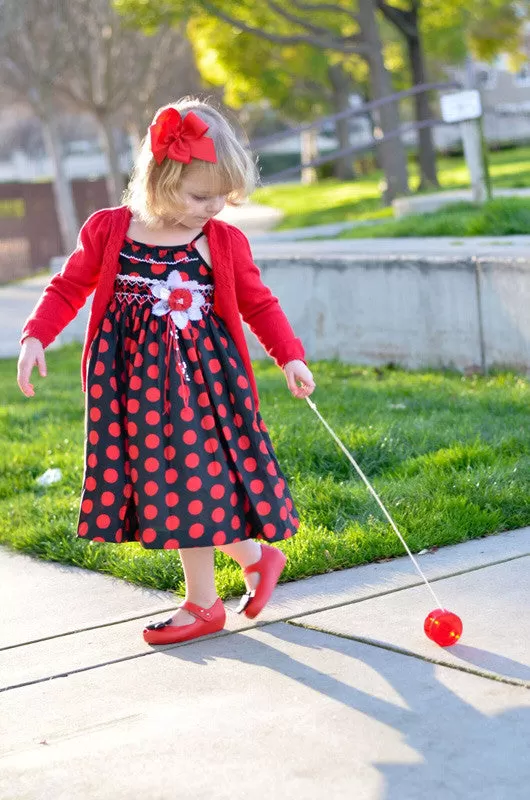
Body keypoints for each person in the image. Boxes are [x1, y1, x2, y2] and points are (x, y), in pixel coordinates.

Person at [17, 97, 316, 646]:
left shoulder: (219, 241)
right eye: (201, 195)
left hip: (202, 385)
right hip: (133, 389)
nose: (213, 208)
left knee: (186, 481)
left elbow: (259, 303)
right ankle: (255, 559)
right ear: (159, 177)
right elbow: (68, 287)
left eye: (224, 197)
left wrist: (289, 354)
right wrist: (37, 336)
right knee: (172, 482)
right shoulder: (111, 231)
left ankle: (205, 603)